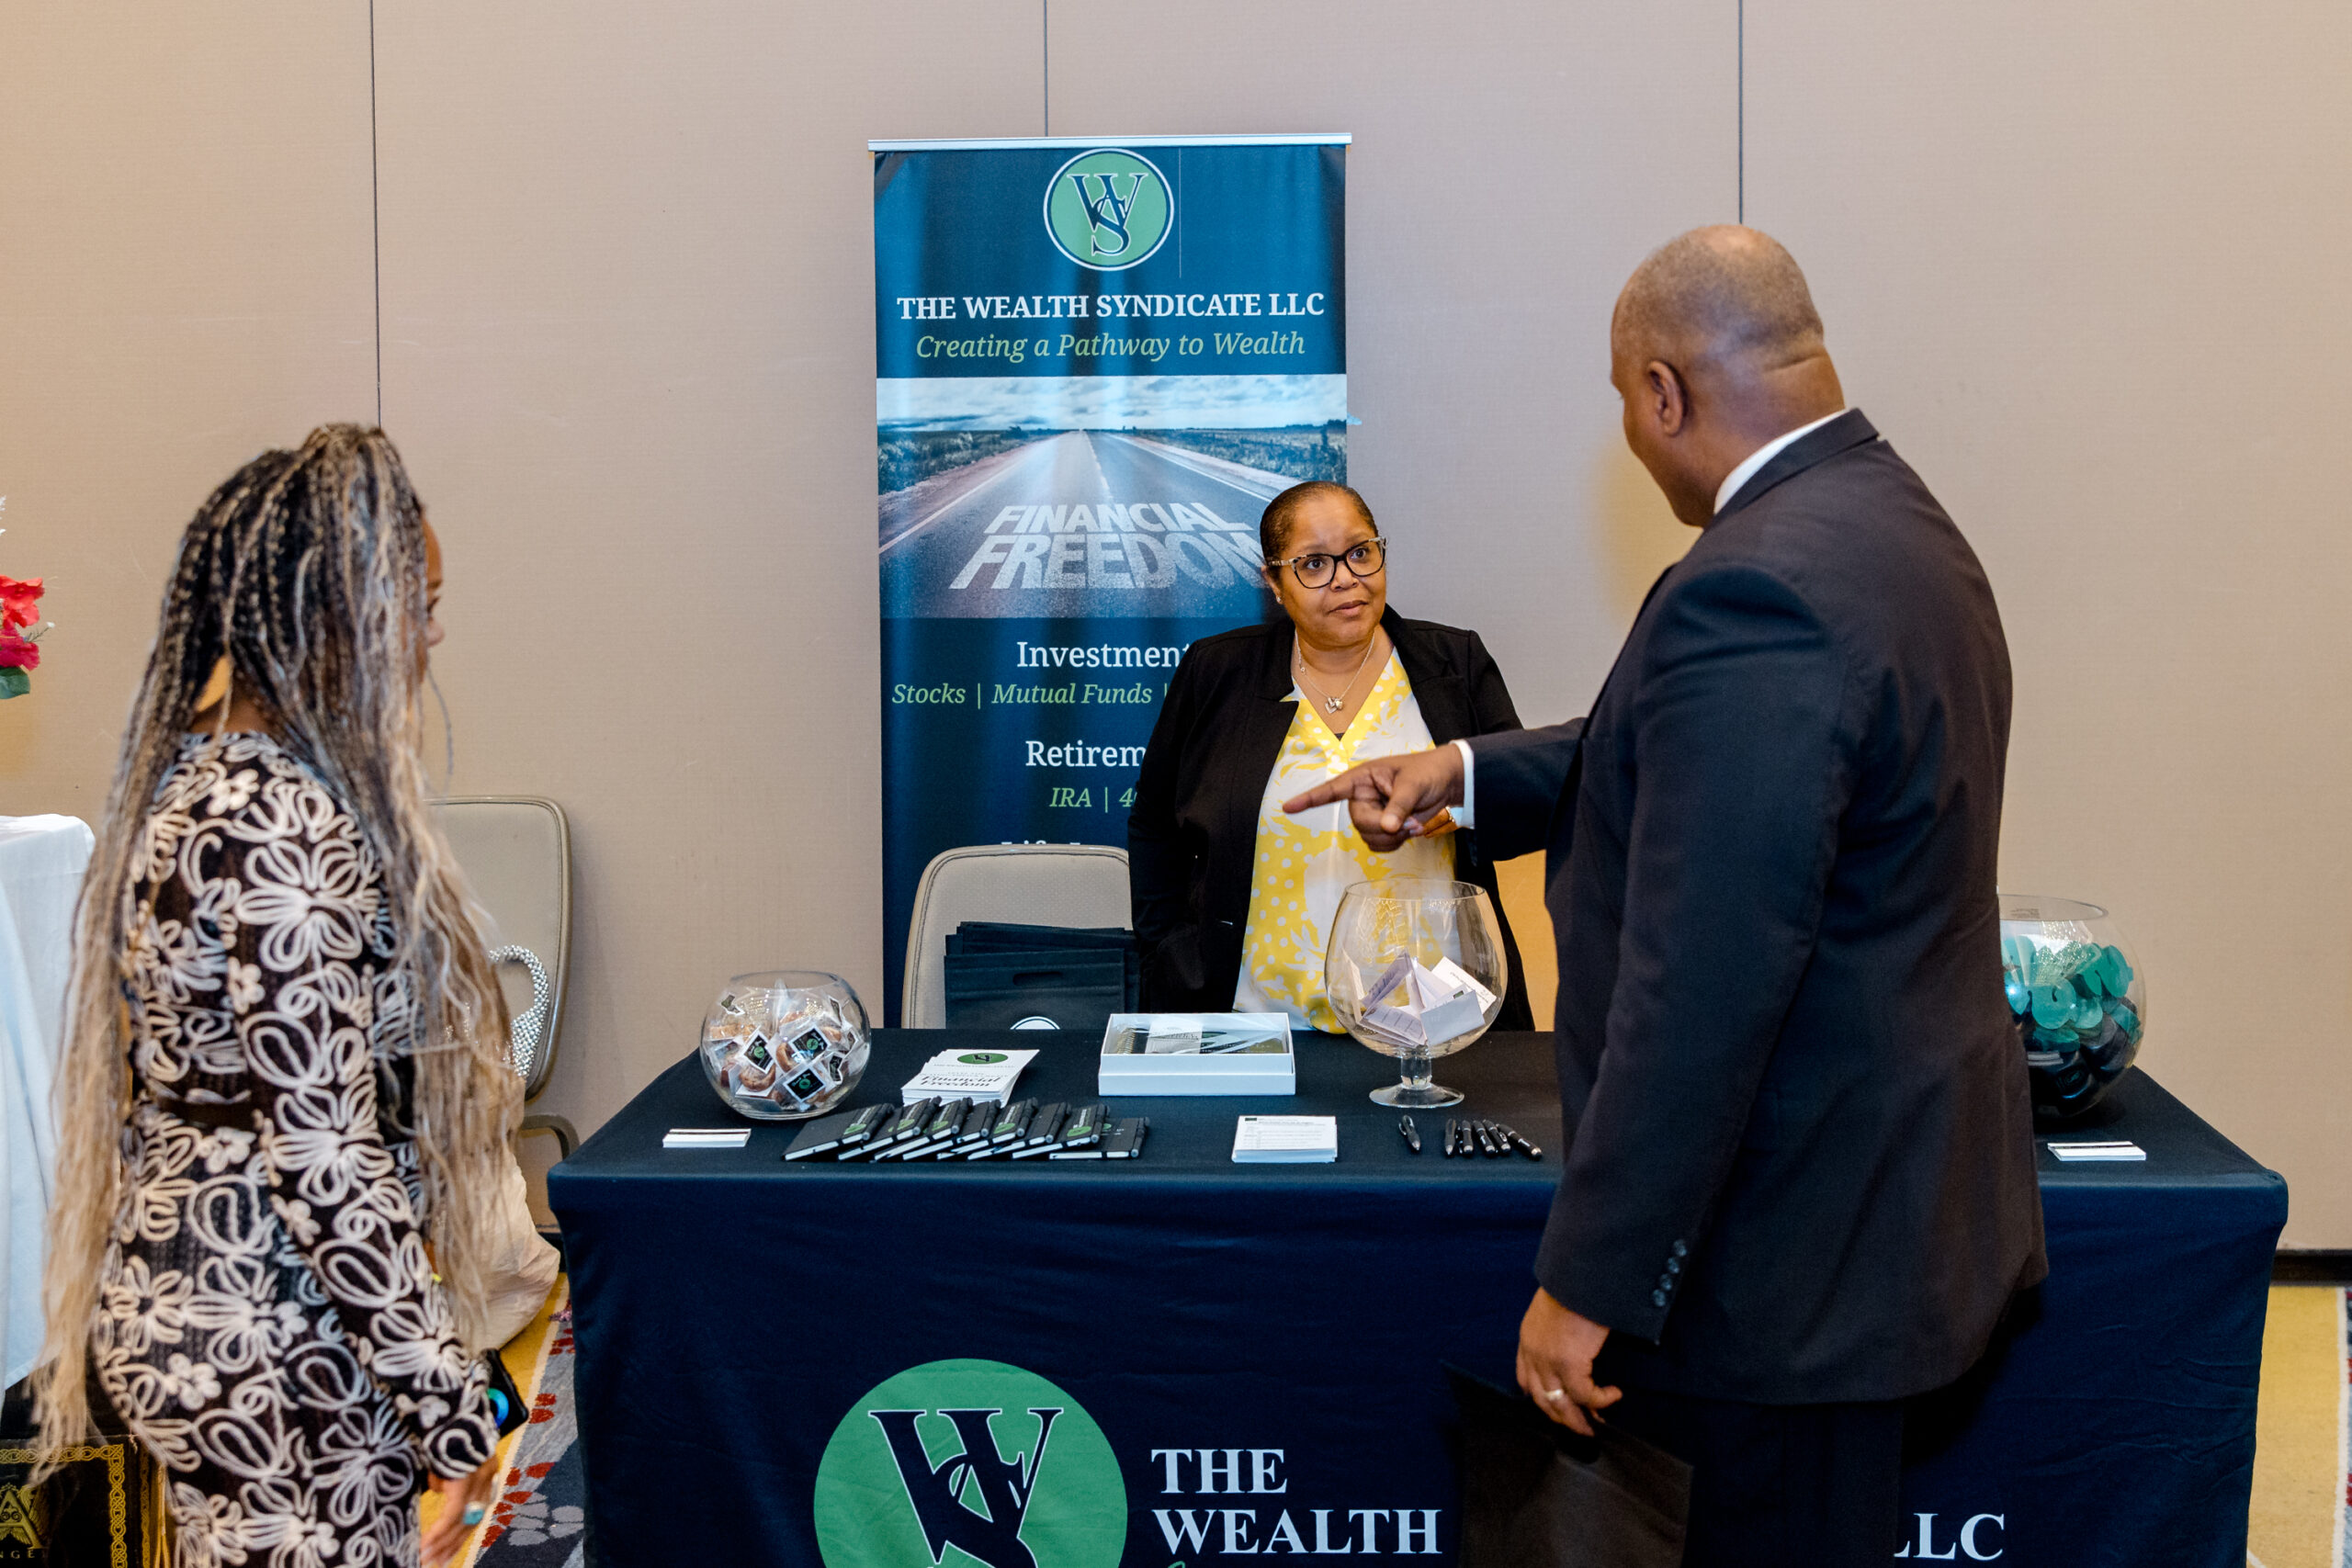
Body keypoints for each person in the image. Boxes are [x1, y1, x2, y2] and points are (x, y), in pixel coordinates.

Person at [1285, 229, 2044, 1563]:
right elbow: (1703, 760)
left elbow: (1704, 981)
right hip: (1879, 1213)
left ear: (1663, 391)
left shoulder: (1754, 585)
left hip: (1784, 1260)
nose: (1633, 442)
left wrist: (1588, 1277)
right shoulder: (1891, 520)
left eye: (1624, 408)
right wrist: (1464, 770)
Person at [36, 426, 519, 1568]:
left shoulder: (199, 780)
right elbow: (321, 1153)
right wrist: (448, 1406)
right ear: (343, 615)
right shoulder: (281, 824)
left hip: (203, 1306)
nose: (434, 636)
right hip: (277, 1338)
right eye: (421, 605)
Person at [1128, 480, 1534, 1032]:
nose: (1346, 577)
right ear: (1274, 582)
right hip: (1255, 1020)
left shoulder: (1453, 663)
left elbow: (1524, 800)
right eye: (1314, 564)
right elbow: (1155, 824)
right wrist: (1166, 949)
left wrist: (1463, 805)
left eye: (1361, 553)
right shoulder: (1216, 672)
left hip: (1430, 1019)